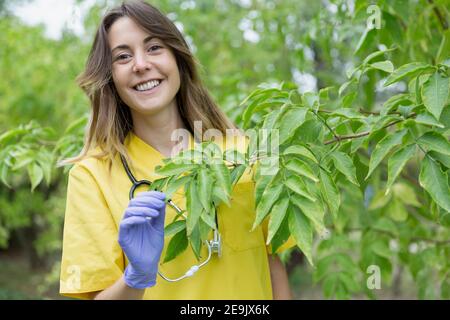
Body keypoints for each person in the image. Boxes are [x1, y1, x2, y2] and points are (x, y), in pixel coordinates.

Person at [58, 0, 293, 300]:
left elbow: (272, 260)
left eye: (154, 47)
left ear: (178, 57)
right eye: (123, 56)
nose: (140, 64)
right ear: (110, 78)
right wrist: (136, 276)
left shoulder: (244, 152)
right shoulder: (92, 176)